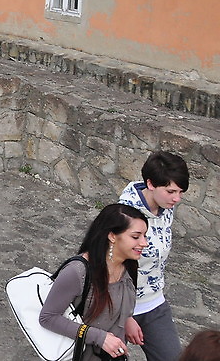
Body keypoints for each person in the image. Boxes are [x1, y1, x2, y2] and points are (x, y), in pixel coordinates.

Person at [40, 203, 149, 361]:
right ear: (112, 236)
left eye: (145, 236)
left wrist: (126, 318)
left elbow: (117, 302)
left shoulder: (129, 266)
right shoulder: (77, 272)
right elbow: (48, 317)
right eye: (136, 237)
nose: (144, 243)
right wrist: (100, 337)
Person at [119, 151, 190, 361]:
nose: (177, 198)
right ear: (150, 184)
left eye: (180, 192)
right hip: (118, 306)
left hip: (153, 302)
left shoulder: (166, 208)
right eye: (171, 191)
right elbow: (110, 266)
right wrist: (125, 316)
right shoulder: (123, 215)